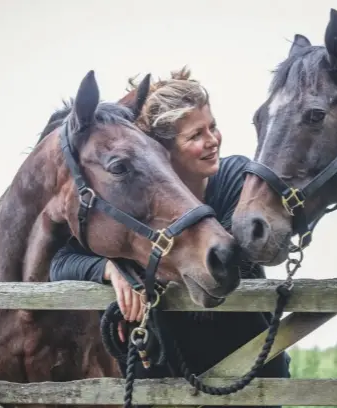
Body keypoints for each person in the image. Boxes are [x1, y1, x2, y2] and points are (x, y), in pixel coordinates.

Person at [49, 67, 291, 403]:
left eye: (213, 127)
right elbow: (60, 261)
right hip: (166, 382)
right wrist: (110, 268)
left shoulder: (238, 178)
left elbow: (236, 247)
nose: (212, 141)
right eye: (195, 136)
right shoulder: (134, 206)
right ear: (161, 148)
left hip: (250, 378)